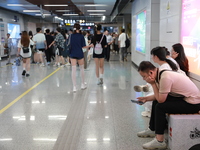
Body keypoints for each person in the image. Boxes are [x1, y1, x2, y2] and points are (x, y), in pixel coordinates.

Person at [136, 61, 200, 150]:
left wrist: (153, 84)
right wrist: (146, 98)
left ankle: (160, 141)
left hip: (193, 104)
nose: (143, 79)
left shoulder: (165, 77)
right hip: (186, 98)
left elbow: (161, 100)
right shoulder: (160, 73)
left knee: (160, 107)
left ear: (151, 72)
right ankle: (152, 129)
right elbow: (160, 94)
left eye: (144, 76)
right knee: (156, 102)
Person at [69, 23, 93, 92]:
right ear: (80, 28)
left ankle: (74, 87)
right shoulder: (81, 36)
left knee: (73, 70)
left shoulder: (71, 36)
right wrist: (90, 46)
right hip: (79, 53)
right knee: (81, 69)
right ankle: (82, 84)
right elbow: (83, 46)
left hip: (72, 54)